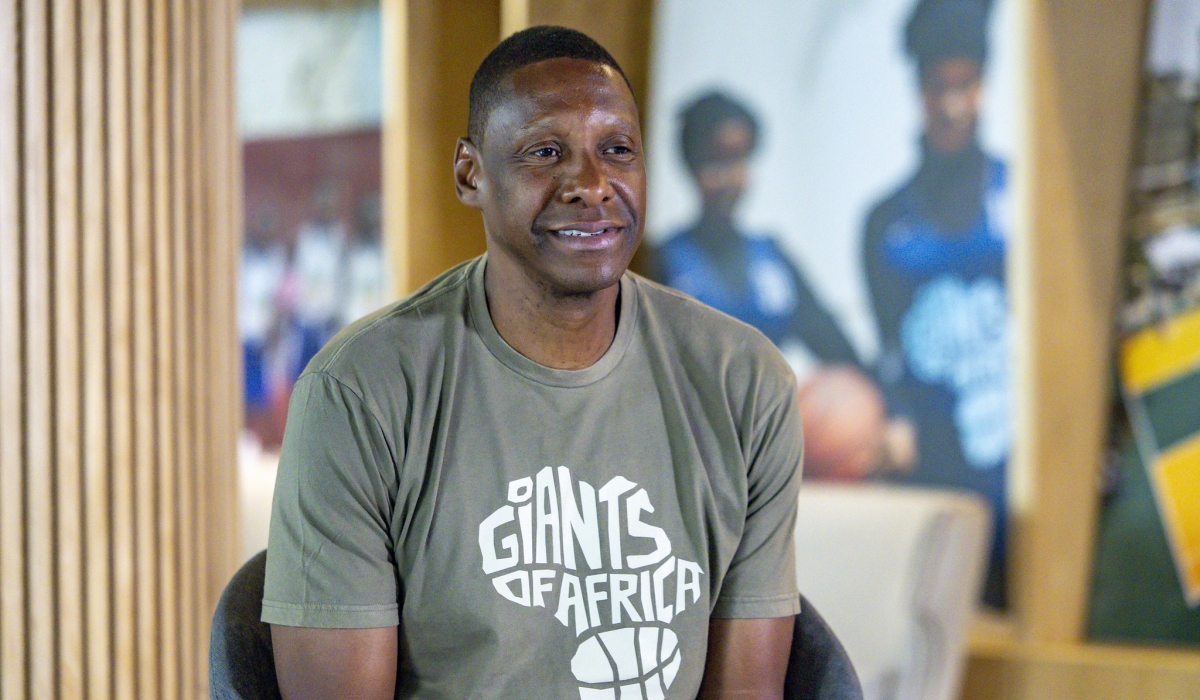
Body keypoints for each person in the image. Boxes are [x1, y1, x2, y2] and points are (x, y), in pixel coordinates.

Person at [263, 26, 803, 699]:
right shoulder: (358, 394)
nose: (592, 185)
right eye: (546, 152)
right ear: (471, 174)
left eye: (617, 150)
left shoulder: (744, 383)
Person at [861, 0, 1010, 608]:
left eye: (964, 85)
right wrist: (890, 417)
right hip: (936, 496)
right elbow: (887, 351)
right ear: (918, 89)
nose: (951, 105)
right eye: (937, 87)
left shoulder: (1022, 198)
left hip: (1021, 489)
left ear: (984, 83)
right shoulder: (884, 224)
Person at [653, 92, 861, 368]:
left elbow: (841, 353)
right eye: (714, 161)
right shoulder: (662, 262)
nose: (729, 178)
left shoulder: (772, 257)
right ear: (690, 165)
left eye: (739, 159)